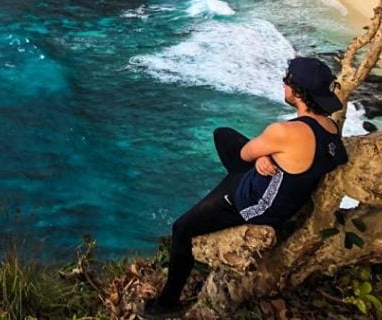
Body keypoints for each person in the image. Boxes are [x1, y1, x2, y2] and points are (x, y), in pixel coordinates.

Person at [142, 56, 349, 318]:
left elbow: (244, 155)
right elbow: (323, 156)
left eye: (287, 80)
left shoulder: (285, 133)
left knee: (181, 229)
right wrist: (265, 156)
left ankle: (166, 304)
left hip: (256, 204)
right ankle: (251, 167)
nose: (283, 84)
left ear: (298, 93)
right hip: (272, 182)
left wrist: (260, 154)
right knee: (223, 134)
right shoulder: (329, 127)